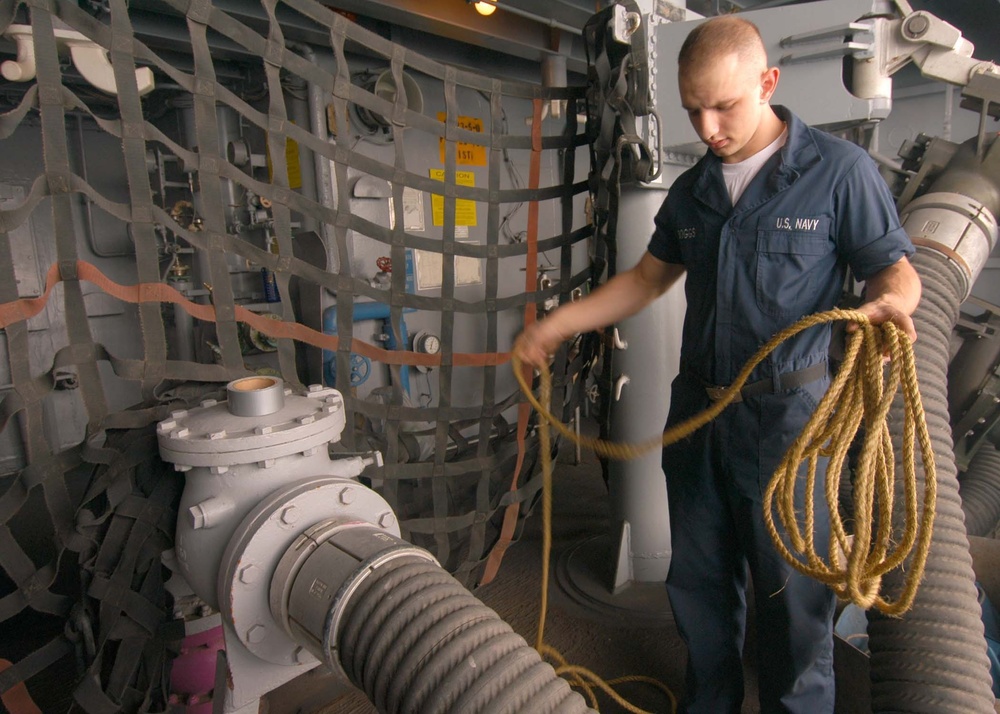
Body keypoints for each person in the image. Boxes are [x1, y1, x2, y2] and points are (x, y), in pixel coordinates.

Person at [513, 14, 922, 714]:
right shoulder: (694, 191)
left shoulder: (837, 173)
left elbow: (895, 272)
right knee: (699, 589)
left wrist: (889, 303)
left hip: (791, 425)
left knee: (794, 604)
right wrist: (559, 322)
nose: (707, 128)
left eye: (724, 106)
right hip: (698, 417)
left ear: (768, 83)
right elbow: (646, 279)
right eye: (693, 108)